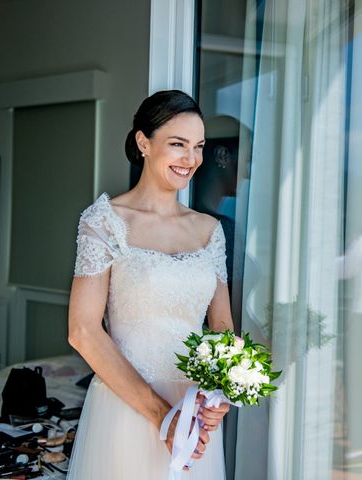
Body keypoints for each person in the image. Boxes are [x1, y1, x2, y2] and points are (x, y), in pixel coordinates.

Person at [66, 90, 233, 479]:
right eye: (178, 144)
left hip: (194, 415)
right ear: (144, 142)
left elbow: (223, 330)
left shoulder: (209, 231)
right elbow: (83, 331)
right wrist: (162, 416)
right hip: (127, 407)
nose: (190, 159)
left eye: (198, 147)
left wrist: (219, 396)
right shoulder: (106, 221)